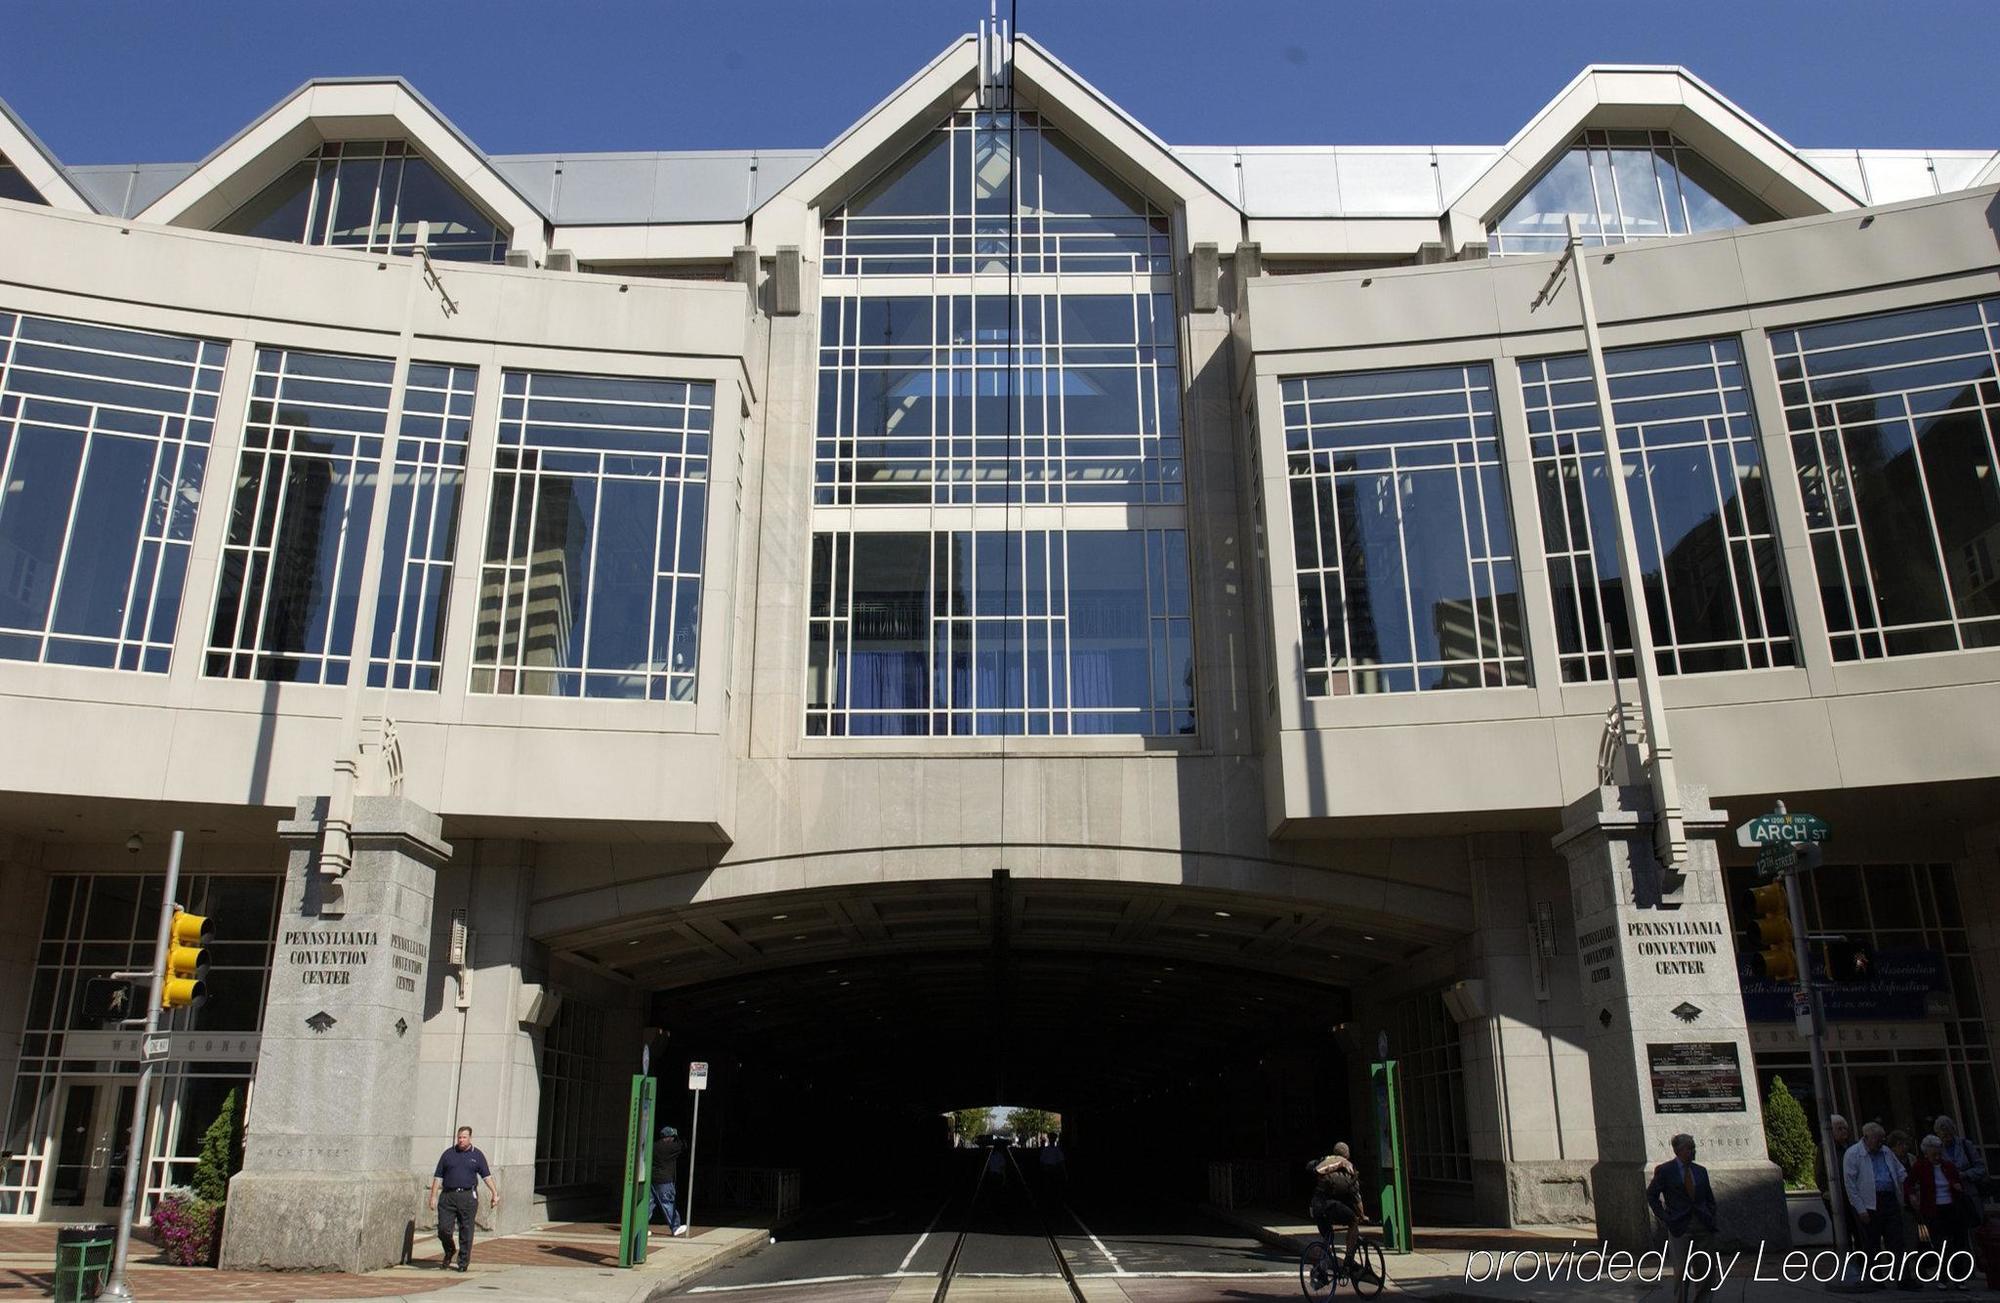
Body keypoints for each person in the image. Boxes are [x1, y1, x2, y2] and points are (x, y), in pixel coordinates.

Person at [1647, 1134, 1719, 1303]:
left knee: (1707, 1270)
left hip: (1702, 1224)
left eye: (1694, 1147)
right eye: (1690, 1148)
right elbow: (1651, 1195)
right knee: (1681, 1271)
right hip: (1680, 1227)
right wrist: (1665, 1217)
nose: (1693, 1151)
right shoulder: (1665, 1171)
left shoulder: (1700, 1171)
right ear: (1679, 1150)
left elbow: (1709, 1197)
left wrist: (1710, 1214)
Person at [1845, 1121, 1917, 1289]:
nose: (1881, 1143)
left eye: (1882, 1139)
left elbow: (1900, 1172)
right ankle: (1876, 1279)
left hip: (1889, 1199)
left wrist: (1910, 1190)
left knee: (1897, 1240)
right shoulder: (1854, 1154)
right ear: (1866, 1138)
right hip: (1869, 1202)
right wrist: (1860, 1209)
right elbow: (1851, 1184)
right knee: (1872, 1243)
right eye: (1877, 1139)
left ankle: (1903, 1277)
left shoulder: (1886, 1152)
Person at [1904, 1134, 1972, 1289]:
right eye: (1933, 1154)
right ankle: (1943, 1276)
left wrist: (1957, 1187)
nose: (1936, 1157)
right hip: (1933, 1210)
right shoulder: (1921, 1167)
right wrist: (1912, 1196)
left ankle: (1959, 1277)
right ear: (1926, 1153)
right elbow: (1908, 1183)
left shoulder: (1948, 1166)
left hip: (1951, 1208)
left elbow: (1957, 1181)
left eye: (1939, 1154)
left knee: (1957, 1244)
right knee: (1942, 1245)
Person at [427, 1126, 499, 1272]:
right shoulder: (448, 1154)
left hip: (467, 1196)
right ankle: (449, 1249)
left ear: (470, 1138)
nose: (461, 1140)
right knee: (443, 1229)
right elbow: (437, 1177)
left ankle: (463, 1262)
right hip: (448, 1196)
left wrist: (494, 1193)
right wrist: (433, 1196)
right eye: (459, 1137)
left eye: (464, 1137)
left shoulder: (477, 1155)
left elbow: (487, 1176)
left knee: (466, 1230)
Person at [1309, 1142, 1367, 1271]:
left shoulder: (1325, 1162)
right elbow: (1356, 1198)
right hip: (1330, 1205)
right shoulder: (1349, 1169)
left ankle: (1322, 1265)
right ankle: (1349, 1260)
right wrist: (1362, 1215)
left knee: (1328, 1236)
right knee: (1353, 1221)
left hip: (1316, 1206)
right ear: (1347, 1154)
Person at [651, 1125, 687, 1237]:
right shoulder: (672, 1147)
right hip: (665, 1180)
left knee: (649, 1204)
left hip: (653, 1179)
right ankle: (675, 1227)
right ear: (670, 1137)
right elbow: (684, 1144)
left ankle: (640, 1228)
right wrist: (678, 1137)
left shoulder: (654, 1146)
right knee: (667, 1203)